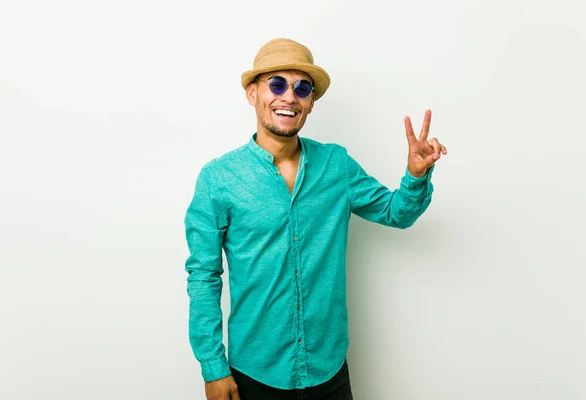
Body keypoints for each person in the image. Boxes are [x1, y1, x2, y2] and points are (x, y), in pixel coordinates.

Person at [184, 37, 447, 400]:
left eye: (301, 88)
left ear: (310, 103)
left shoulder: (336, 165)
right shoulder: (218, 179)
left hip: (329, 369)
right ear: (252, 94)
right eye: (277, 84)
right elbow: (203, 276)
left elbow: (395, 212)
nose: (289, 97)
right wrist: (213, 368)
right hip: (255, 374)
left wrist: (416, 175)